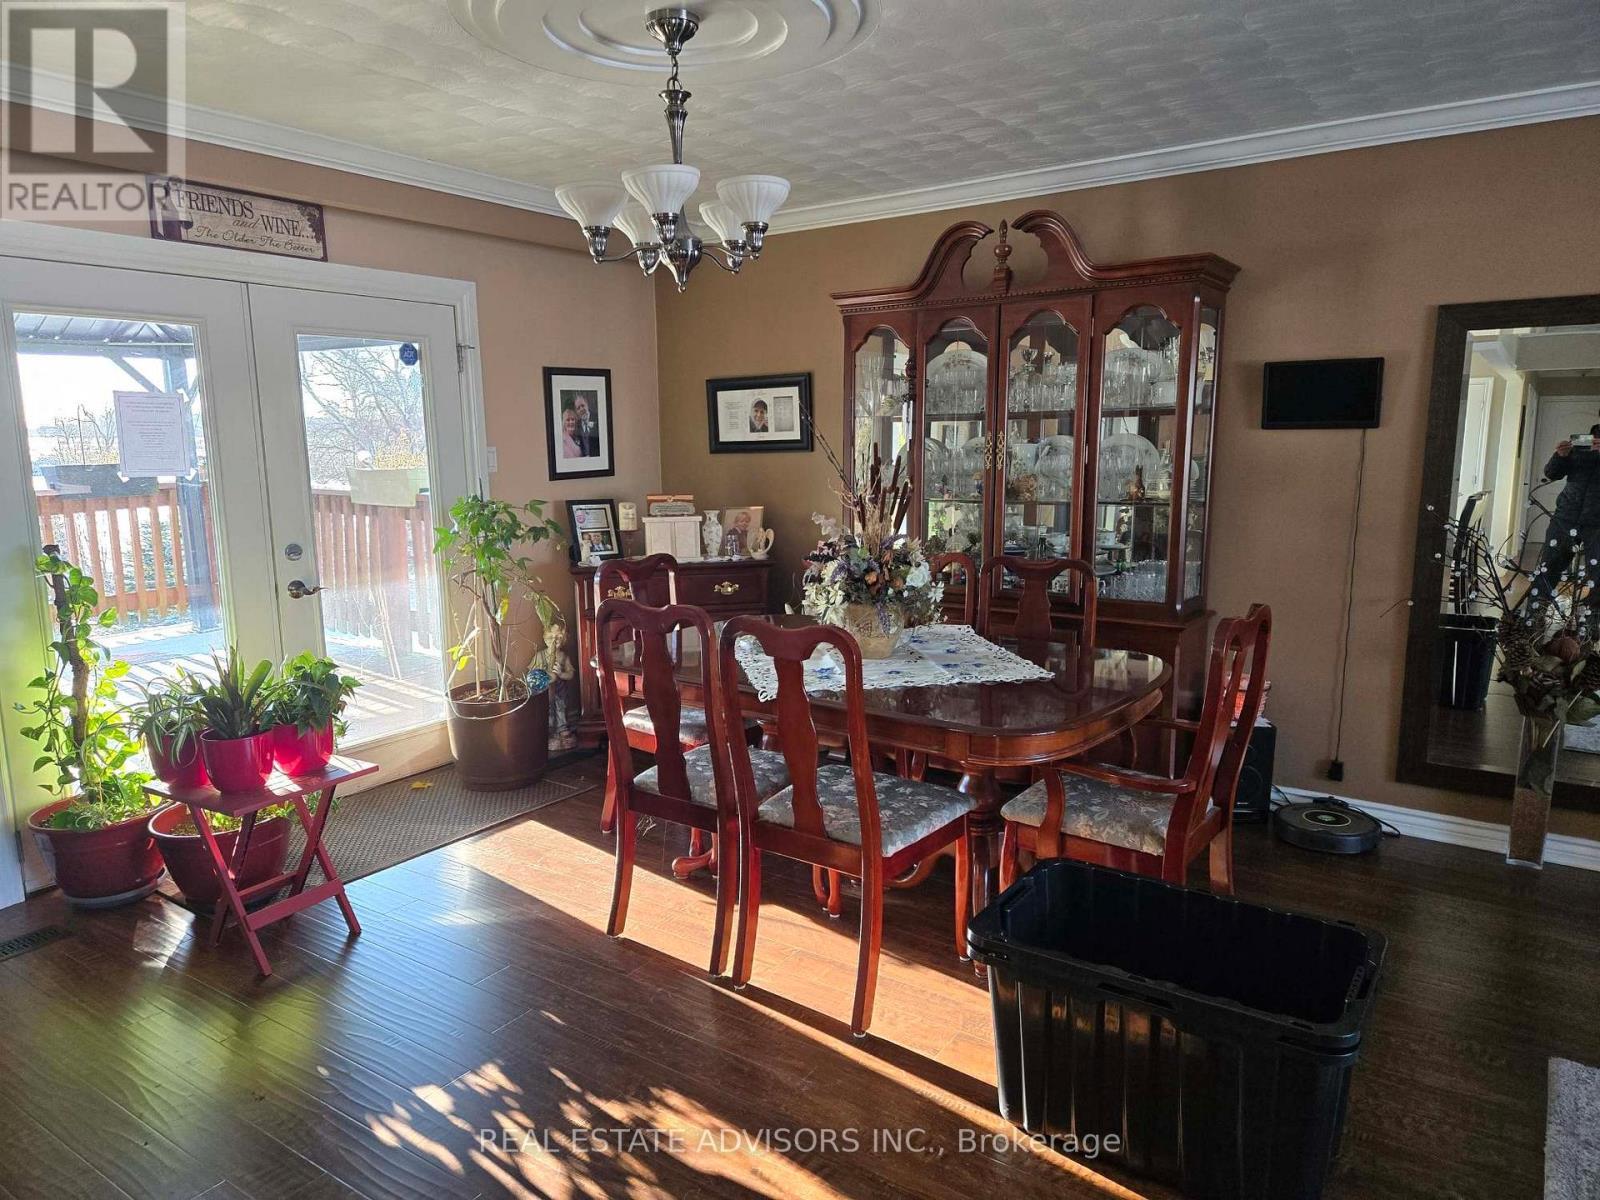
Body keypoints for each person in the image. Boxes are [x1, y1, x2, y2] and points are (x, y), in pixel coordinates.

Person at [1533, 423, 1600, 603]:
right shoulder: (1581, 445)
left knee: (1598, 574)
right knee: (1549, 567)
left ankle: (1592, 623)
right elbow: (1551, 473)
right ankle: (1534, 615)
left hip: (1597, 523)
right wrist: (1560, 456)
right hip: (1566, 518)